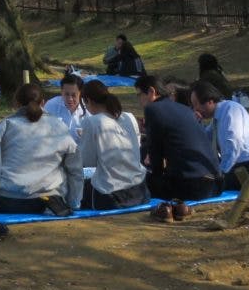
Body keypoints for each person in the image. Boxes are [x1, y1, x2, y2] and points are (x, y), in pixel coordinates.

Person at [0, 83, 83, 218]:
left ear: (17, 103)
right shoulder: (59, 126)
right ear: (43, 102)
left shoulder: (6, 126)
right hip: (48, 201)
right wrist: (74, 203)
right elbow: (75, 170)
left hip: (8, 201)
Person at [136, 75, 221, 201]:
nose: (139, 100)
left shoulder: (152, 109)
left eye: (139, 95)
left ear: (151, 92)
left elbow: (155, 152)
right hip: (215, 183)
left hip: (193, 187)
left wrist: (156, 179)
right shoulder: (184, 109)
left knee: (139, 183)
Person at [78, 79, 148, 210]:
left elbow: (87, 161)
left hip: (111, 194)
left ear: (88, 100)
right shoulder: (129, 117)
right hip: (140, 189)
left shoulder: (92, 122)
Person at [190, 81, 249, 190]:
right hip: (237, 165)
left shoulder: (230, 110)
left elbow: (233, 145)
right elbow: (206, 138)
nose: (195, 109)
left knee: (205, 187)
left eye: (196, 104)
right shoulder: (217, 116)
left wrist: (221, 174)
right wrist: (197, 124)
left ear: (210, 101)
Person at [44, 73, 88, 140]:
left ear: (80, 93)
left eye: (74, 95)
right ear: (61, 92)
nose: (70, 99)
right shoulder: (51, 105)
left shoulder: (88, 108)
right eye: (66, 94)